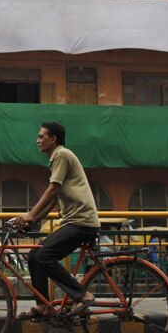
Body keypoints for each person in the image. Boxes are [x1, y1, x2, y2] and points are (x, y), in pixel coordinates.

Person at [11, 121, 100, 319]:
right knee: (35, 256)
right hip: (74, 221)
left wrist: (31, 215)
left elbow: (53, 189)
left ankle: (83, 296)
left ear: (54, 139)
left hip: (81, 222)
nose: (37, 141)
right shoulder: (57, 158)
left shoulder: (61, 154)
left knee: (43, 256)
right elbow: (53, 199)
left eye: (41, 137)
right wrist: (33, 221)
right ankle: (43, 306)